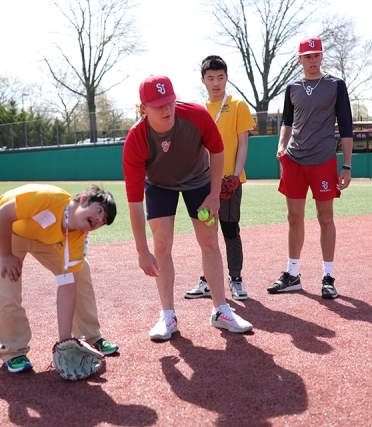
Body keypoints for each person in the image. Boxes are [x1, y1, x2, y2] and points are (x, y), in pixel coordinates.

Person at [122, 74, 253, 341]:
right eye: (158, 105)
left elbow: (217, 150)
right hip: (159, 184)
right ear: (143, 108)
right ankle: (167, 316)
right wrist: (141, 251)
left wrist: (214, 195)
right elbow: (134, 202)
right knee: (161, 244)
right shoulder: (136, 140)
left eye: (169, 101)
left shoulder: (195, 115)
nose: (167, 109)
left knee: (209, 239)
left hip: (198, 179)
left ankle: (221, 311)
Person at [0, 183, 119, 373]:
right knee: (7, 282)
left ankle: (89, 336)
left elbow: (67, 285)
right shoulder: (48, 198)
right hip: (8, 228)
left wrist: (63, 342)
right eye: (99, 210)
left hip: (45, 239)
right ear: (83, 200)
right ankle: (13, 351)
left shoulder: (78, 238)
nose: (98, 219)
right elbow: (4, 215)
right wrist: (7, 255)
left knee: (79, 274)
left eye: (103, 219)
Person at [267, 37, 353, 299]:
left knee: (325, 218)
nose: (313, 60)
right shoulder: (292, 87)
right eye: (308, 56)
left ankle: (328, 277)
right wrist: (281, 145)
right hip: (294, 159)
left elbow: (346, 126)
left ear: (322, 56)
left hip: (324, 159)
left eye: (317, 55)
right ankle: (292, 274)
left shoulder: (335, 85)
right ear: (299, 59)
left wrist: (347, 165)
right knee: (294, 218)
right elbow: (287, 121)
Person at [184, 55, 256, 301]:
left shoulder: (237, 105)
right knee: (207, 233)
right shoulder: (198, 110)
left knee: (229, 229)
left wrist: (235, 176)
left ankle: (235, 279)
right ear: (202, 80)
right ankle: (207, 280)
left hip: (230, 182)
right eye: (211, 78)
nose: (216, 83)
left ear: (227, 77)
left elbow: (243, 144)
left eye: (221, 77)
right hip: (203, 183)